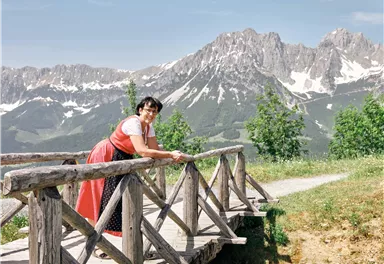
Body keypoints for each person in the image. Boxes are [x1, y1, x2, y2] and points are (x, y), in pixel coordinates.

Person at [76, 96, 187, 246]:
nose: (151, 114)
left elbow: (153, 149)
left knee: (119, 198)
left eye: (155, 112)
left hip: (122, 157)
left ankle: (123, 244)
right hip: (107, 155)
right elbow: (143, 151)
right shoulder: (133, 123)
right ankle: (96, 244)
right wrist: (170, 155)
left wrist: (169, 152)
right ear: (140, 110)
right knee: (100, 197)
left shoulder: (148, 126)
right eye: (148, 110)